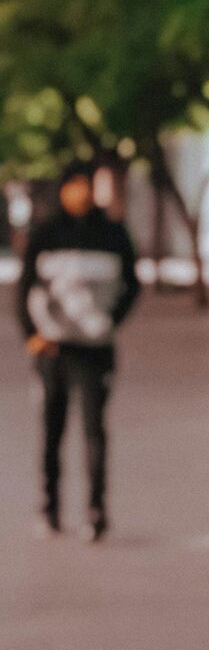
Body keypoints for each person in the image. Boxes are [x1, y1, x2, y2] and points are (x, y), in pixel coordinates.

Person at [19, 159, 139, 541]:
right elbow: (23, 288)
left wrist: (108, 322)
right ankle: (50, 506)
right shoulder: (46, 232)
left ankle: (96, 510)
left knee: (94, 431)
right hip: (53, 349)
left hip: (94, 350)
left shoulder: (113, 233)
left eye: (86, 184)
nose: (81, 192)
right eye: (74, 184)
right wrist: (32, 334)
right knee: (52, 430)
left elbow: (133, 285)